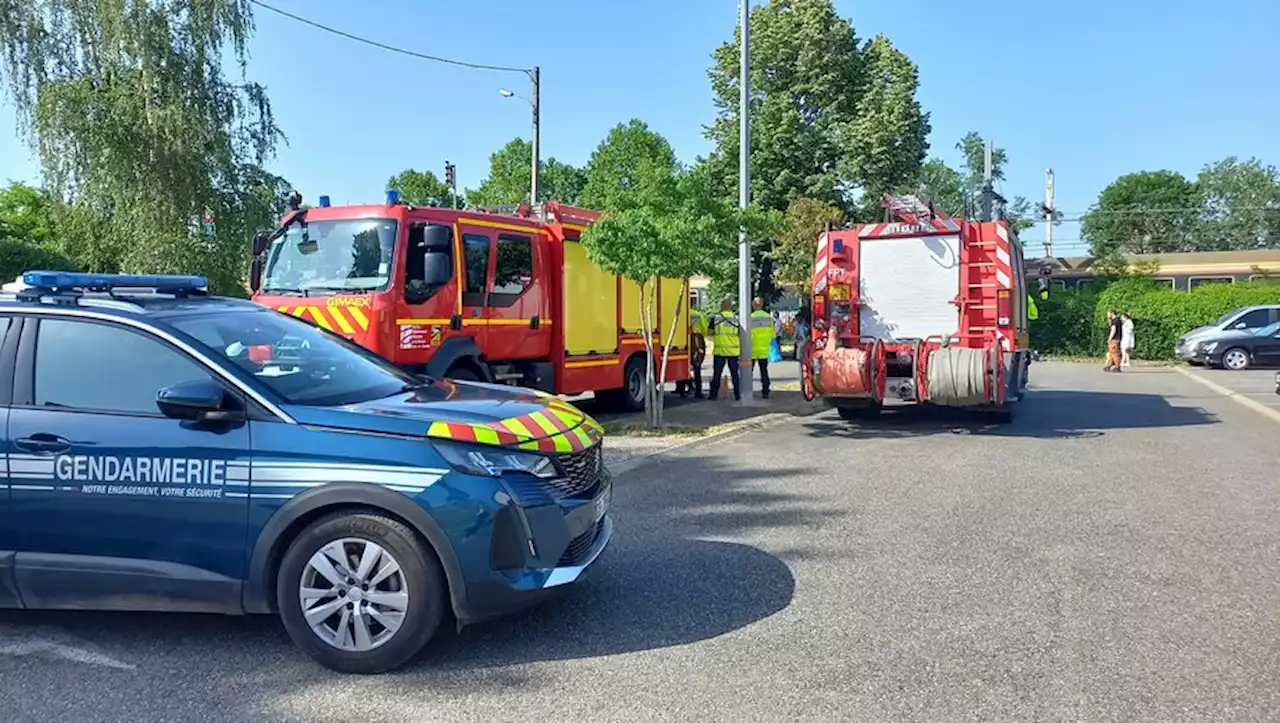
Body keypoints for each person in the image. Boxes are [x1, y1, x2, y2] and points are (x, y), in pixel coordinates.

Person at [708, 299, 741, 401]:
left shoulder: (716, 318)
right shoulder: (736, 318)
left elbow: (710, 332)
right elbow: (740, 332)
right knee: (735, 374)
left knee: (717, 374)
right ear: (730, 307)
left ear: (722, 306)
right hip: (733, 351)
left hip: (720, 351)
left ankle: (713, 396)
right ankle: (737, 396)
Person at [678, 295, 708, 399]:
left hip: (683, 340)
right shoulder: (699, 315)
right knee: (697, 367)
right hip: (697, 341)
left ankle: (681, 390)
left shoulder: (681, 314)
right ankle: (698, 392)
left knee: (683, 365)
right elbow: (705, 330)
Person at [750, 297, 776, 399]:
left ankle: (746, 391)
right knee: (764, 371)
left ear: (753, 304)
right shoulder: (768, 318)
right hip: (764, 349)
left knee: (748, 373)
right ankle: (765, 392)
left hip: (751, 349)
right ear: (762, 305)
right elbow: (773, 335)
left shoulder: (750, 318)